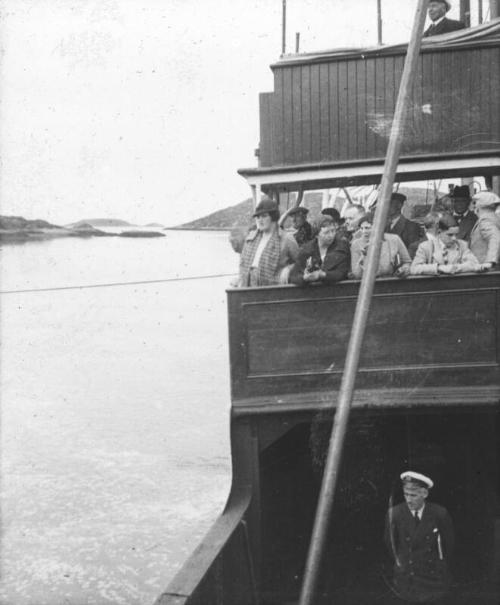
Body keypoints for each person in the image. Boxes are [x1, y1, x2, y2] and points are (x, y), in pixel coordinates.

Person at [385, 471, 454, 604]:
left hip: (433, 579)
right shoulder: (395, 514)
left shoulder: (439, 514)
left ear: (424, 494)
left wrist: (439, 565)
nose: (408, 499)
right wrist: (403, 564)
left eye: (413, 495)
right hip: (407, 579)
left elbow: (448, 545)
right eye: (406, 494)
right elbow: (391, 545)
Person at [238, 196, 299, 287]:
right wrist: (239, 281)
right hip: (248, 287)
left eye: (264, 216)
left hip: (271, 289)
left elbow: (301, 262)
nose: (259, 220)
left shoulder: (286, 239)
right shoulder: (251, 238)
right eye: (257, 217)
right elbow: (242, 264)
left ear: (273, 217)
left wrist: (289, 269)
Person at [411, 213, 481, 275]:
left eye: (456, 234)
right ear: (439, 232)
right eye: (450, 235)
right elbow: (414, 268)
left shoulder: (462, 245)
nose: (454, 238)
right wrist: (438, 268)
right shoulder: (426, 246)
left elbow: (474, 263)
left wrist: (454, 268)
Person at [289, 214, 349, 285]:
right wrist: (304, 278)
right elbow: (293, 276)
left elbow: (342, 272)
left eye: (333, 231)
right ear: (317, 234)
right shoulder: (306, 249)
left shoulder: (342, 247)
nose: (331, 235)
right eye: (326, 232)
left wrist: (322, 275)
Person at [351, 214, 411, 279]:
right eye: (361, 228)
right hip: (367, 284)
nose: (364, 231)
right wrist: (364, 255)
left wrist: (404, 269)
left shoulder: (394, 240)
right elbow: (357, 274)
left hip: (391, 281)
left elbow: (407, 262)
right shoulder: (356, 244)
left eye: (367, 228)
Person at [469, 191, 500, 271]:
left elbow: (495, 238)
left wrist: (489, 262)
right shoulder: (493, 218)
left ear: (480, 205)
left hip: (484, 269)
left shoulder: (485, 220)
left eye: (475, 203)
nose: (474, 206)